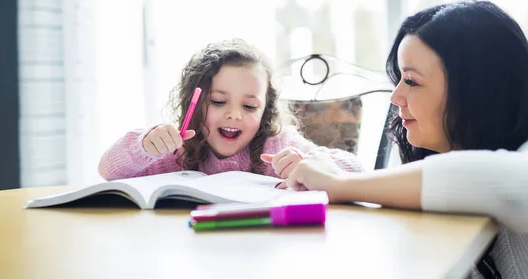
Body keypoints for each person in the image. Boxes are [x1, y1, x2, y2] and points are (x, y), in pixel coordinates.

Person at [280, 0, 528, 279]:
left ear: (477, 90)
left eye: (412, 81)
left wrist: (338, 184)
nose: (396, 98)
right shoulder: (454, 157)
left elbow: (513, 189)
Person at [98, 38, 363, 181]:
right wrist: (143, 146)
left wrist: (308, 166)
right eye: (218, 101)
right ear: (194, 101)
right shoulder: (175, 150)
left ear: (265, 112)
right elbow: (109, 171)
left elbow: (355, 170)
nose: (234, 114)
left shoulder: (277, 146)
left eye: (249, 106)